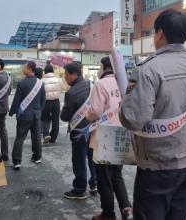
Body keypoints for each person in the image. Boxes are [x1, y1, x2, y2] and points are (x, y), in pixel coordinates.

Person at [119, 9, 186, 220]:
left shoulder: (148, 69)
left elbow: (133, 119)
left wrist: (124, 103)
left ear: (160, 34)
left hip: (159, 162)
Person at [86, 57, 132, 220]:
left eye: (100, 66)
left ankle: (108, 213)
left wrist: (87, 115)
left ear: (105, 67)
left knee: (104, 178)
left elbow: (95, 112)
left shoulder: (101, 84)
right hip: (122, 131)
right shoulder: (124, 84)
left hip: (105, 135)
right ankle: (126, 208)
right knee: (116, 175)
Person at [61, 62, 97, 200]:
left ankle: (79, 189)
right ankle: (94, 183)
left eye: (66, 75)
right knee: (92, 157)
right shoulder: (92, 84)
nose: (65, 78)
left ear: (74, 75)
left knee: (79, 159)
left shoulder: (71, 92)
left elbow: (65, 116)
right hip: (93, 127)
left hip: (79, 131)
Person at [9, 61, 46, 170]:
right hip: (36, 115)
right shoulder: (40, 83)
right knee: (36, 137)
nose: (23, 69)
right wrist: (39, 111)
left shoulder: (22, 83)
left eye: (24, 67)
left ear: (30, 69)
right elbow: (43, 100)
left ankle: (17, 162)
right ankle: (37, 157)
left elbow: (16, 100)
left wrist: (12, 112)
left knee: (20, 138)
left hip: (24, 115)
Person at [41, 64, 64, 144]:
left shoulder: (41, 81)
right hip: (56, 101)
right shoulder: (59, 80)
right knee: (55, 120)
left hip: (46, 102)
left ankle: (46, 134)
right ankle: (53, 138)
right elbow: (62, 88)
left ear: (45, 71)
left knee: (45, 119)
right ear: (53, 71)